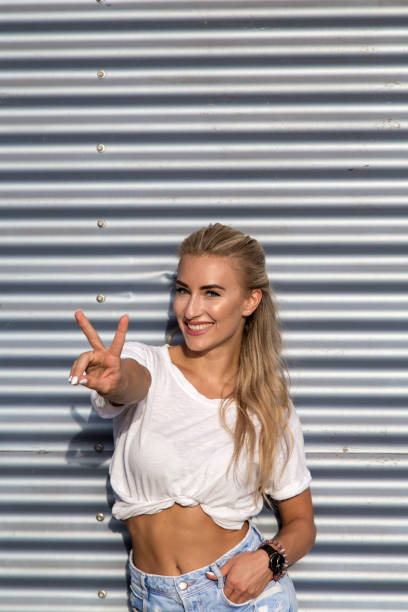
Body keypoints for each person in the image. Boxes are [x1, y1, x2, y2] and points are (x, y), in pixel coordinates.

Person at [69, 223, 316, 611]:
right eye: (183, 290)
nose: (191, 309)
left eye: (211, 293)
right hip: (154, 597)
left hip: (240, 596)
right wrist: (114, 381)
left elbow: (302, 523)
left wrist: (267, 561)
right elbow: (132, 382)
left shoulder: (269, 405)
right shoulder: (148, 364)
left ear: (250, 301)